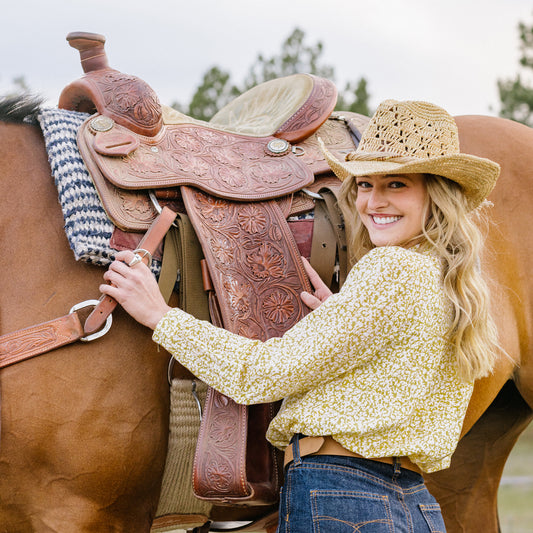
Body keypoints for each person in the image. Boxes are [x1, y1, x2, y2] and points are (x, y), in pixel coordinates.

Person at [100, 99, 501, 532]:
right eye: (365, 184)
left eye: (397, 184)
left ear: (436, 193)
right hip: (412, 504)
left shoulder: (393, 268)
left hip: (343, 499)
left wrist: (160, 316)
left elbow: (260, 375)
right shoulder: (445, 277)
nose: (373, 201)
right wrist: (343, 318)